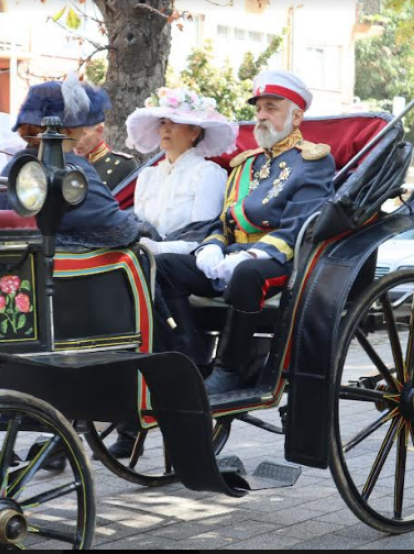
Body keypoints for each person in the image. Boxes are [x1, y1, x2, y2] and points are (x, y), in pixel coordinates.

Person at [155, 70, 335, 395]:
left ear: (297, 115)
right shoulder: (245, 163)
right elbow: (222, 221)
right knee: (163, 267)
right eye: (259, 108)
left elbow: (300, 224)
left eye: (272, 107)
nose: (262, 116)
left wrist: (255, 253)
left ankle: (231, 368)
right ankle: (190, 360)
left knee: (248, 273)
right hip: (230, 257)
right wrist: (210, 247)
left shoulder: (312, 161)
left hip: (281, 260)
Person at [0, 75, 138, 248]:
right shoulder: (71, 168)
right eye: (83, 121)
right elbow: (119, 230)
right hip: (61, 271)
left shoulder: (13, 166)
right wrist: (141, 226)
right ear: (71, 128)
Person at [126, 87, 236, 256]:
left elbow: (203, 237)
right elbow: (138, 225)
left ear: (194, 132)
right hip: (143, 255)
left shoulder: (208, 174)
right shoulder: (147, 175)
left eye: (174, 122)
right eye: (163, 122)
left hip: (183, 262)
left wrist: (160, 248)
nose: (166, 129)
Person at [75, 123, 137, 191]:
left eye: (82, 134)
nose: (74, 141)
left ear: (99, 131)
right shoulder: (65, 164)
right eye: (69, 134)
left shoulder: (123, 165)